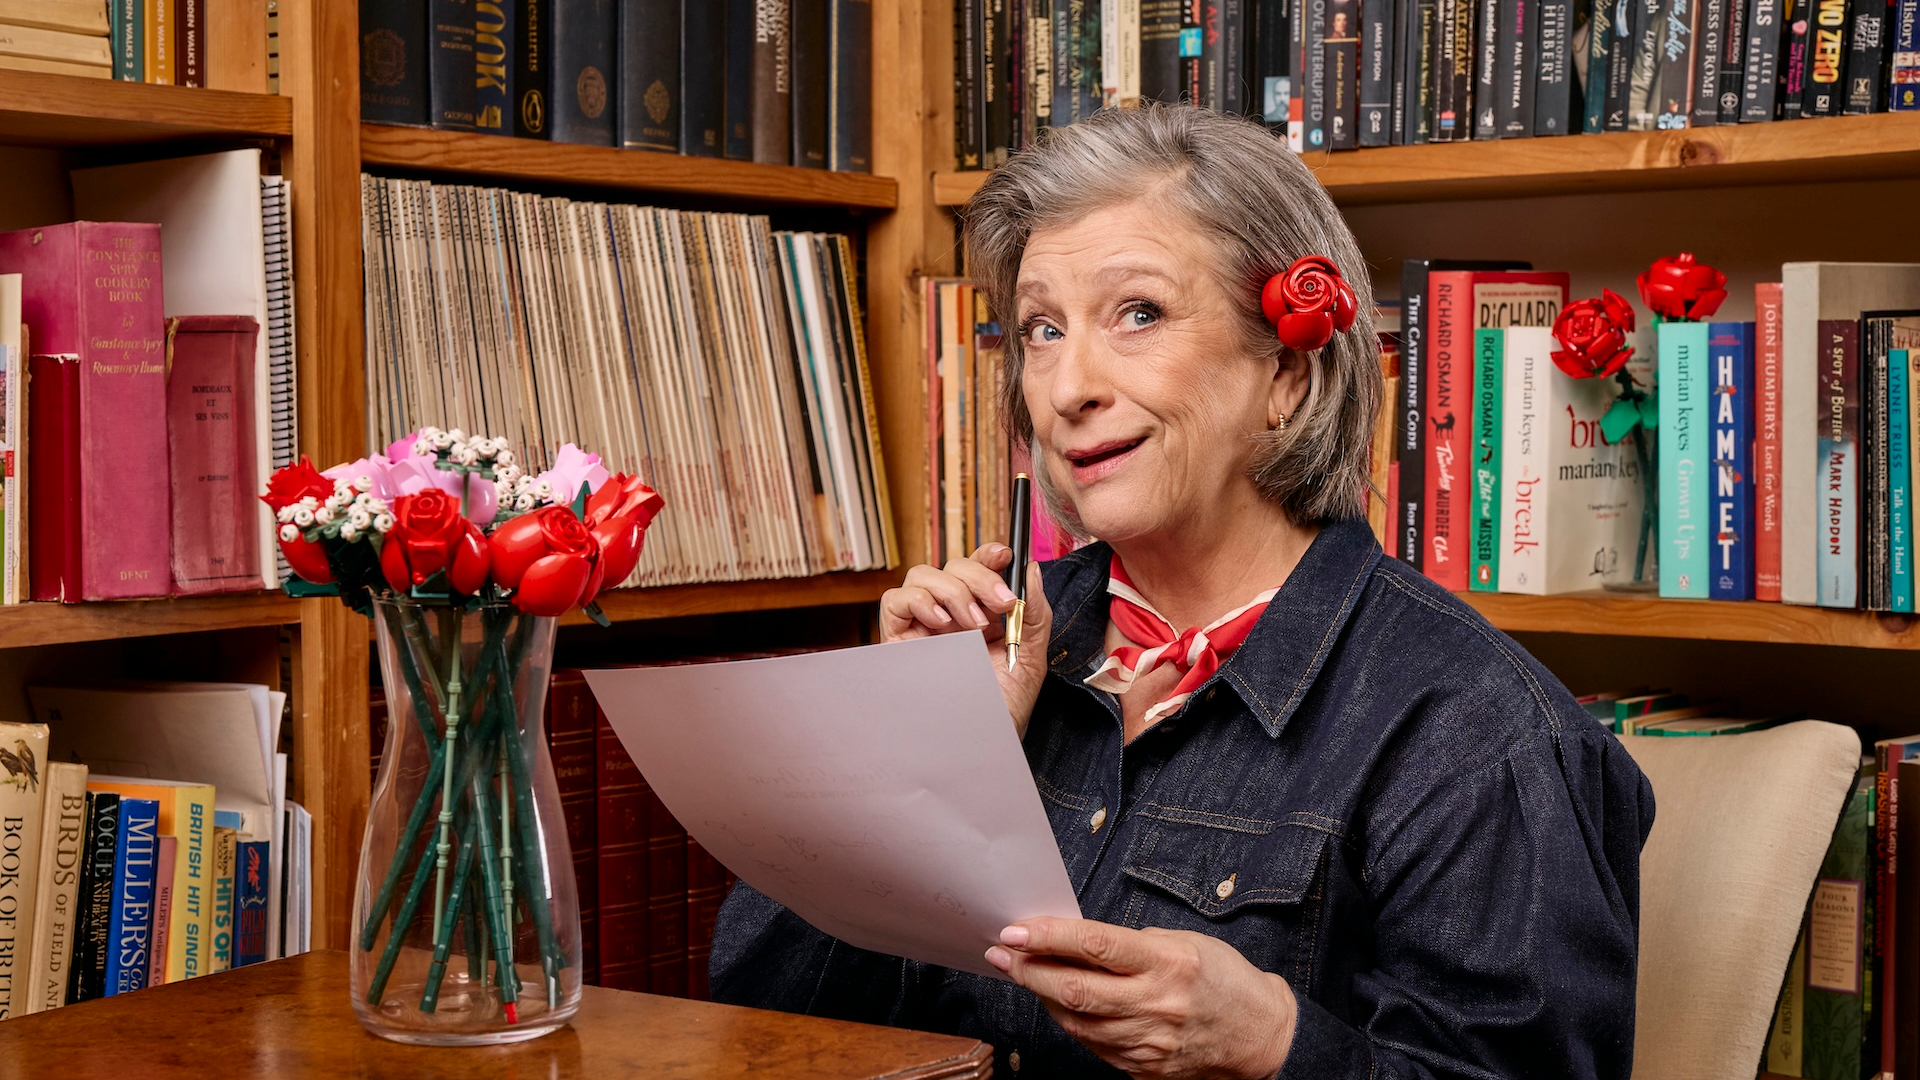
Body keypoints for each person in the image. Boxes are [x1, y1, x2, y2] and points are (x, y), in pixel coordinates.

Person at [711, 104, 1654, 1080]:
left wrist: (1278, 1049)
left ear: (1286, 370)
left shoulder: (1480, 732)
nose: (1069, 385)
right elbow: (761, 1032)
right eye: (1041, 328)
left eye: (1139, 314)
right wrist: (908, 754)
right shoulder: (989, 642)